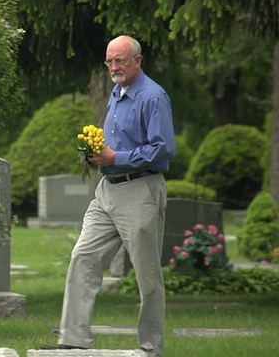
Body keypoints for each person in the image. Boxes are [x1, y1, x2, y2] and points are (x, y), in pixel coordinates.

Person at [40, 35, 176, 356]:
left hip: (140, 190)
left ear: (137, 61)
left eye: (120, 61)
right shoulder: (117, 91)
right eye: (109, 61)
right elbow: (113, 143)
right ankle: (74, 340)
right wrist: (93, 154)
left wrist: (117, 158)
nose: (114, 67)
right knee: (83, 257)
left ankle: (151, 347)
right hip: (106, 192)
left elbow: (163, 149)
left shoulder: (153, 97)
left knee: (147, 275)